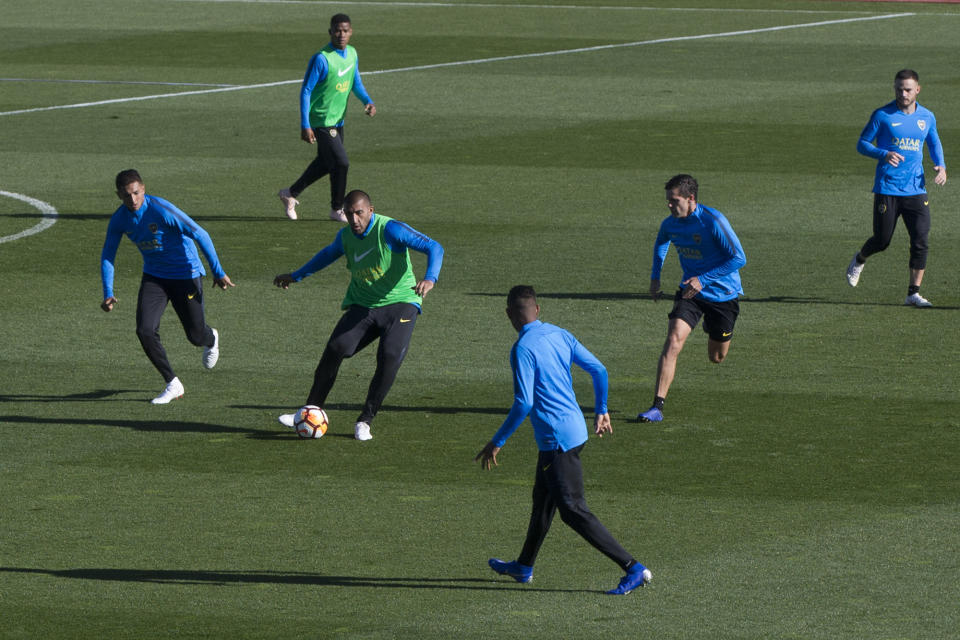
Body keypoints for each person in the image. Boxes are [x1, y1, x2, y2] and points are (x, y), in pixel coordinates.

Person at [475, 285, 651, 596]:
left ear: (508, 315)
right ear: (537, 310)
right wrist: (601, 410)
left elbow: (523, 404)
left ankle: (633, 567)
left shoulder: (522, 350)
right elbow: (598, 369)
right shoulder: (559, 333)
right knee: (542, 502)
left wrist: (497, 441)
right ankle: (523, 566)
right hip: (574, 433)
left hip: (556, 441)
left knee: (571, 509)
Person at [274, 189, 443, 440]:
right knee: (335, 349)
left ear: (370, 211)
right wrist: (296, 275)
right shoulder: (345, 237)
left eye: (359, 213)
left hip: (401, 303)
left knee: (389, 356)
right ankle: (310, 409)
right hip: (364, 305)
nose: (354, 220)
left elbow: (434, 247)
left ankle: (365, 420)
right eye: (349, 214)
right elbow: (326, 256)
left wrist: (430, 278)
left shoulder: (391, 229)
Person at [100, 169, 235, 404]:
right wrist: (108, 292)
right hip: (155, 277)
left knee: (195, 336)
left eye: (136, 193)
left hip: (186, 275)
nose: (132, 200)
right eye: (126, 195)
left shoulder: (161, 209)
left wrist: (218, 271)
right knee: (144, 330)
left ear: (143, 189)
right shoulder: (120, 219)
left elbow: (200, 233)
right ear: (118, 195)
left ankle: (210, 338)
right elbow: (108, 255)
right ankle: (172, 383)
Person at [637, 174, 746, 423]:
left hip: (723, 296)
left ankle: (710, 324)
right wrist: (655, 277)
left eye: (674, 201)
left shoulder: (713, 222)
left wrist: (704, 279)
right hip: (690, 293)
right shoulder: (670, 224)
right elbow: (661, 243)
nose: (669, 205)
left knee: (716, 357)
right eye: (668, 200)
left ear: (691, 199)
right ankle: (657, 407)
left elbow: (739, 258)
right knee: (673, 340)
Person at [846, 69, 947, 307]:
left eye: (908, 89)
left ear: (918, 90)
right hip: (887, 188)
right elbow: (862, 144)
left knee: (921, 240)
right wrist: (883, 154)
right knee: (882, 240)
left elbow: (933, 142)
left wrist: (941, 166)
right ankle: (860, 259)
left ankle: (913, 293)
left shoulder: (927, 117)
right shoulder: (882, 115)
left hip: (916, 188)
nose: (903, 93)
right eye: (899, 89)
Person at [278, 13, 376, 223]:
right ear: (330, 32)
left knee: (325, 162)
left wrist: (367, 101)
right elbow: (306, 91)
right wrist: (306, 125)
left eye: (345, 30)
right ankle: (337, 208)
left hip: (338, 120)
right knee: (341, 163)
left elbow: (355, 82)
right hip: (321, 120)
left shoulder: (352, 54)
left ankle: (290, 194)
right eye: (337, 30)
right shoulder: (322, 58)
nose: (341, 34)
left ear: (351, 32)